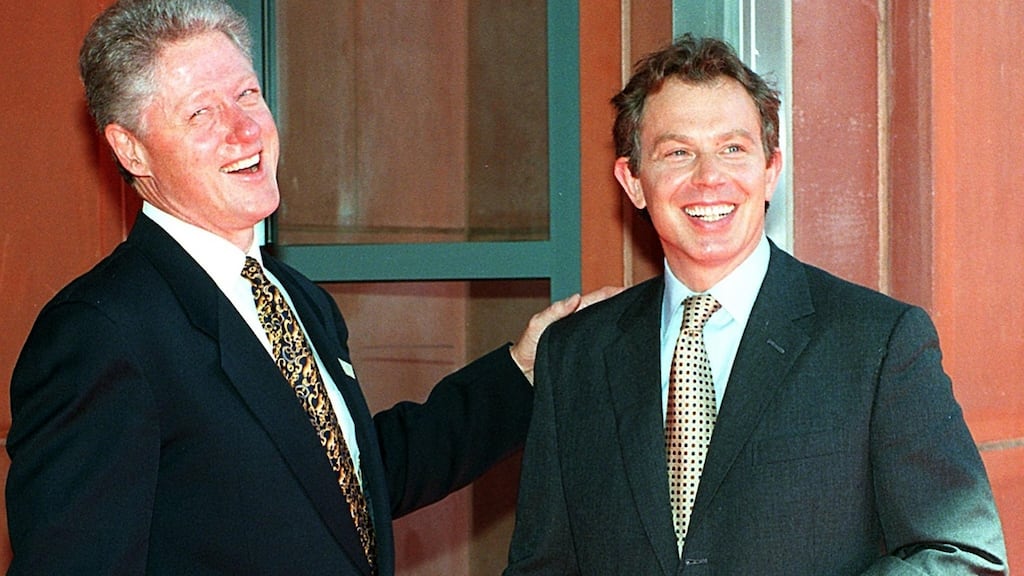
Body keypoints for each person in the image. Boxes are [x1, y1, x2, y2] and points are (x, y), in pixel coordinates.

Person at [4, 1, 615, 574]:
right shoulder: (100, 332)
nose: (246, 132)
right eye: (202, 112)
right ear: (130, 149)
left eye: (248, 95)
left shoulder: (294, 296)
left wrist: (522, 370)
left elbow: (347, 480)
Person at [504, 34, 1008, 575]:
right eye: (677, 153)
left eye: (732, 149)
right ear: (633, 182)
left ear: (770, 169)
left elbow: (961, 556)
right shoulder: (575, 353)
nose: (708, 178)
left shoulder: (877, 342)